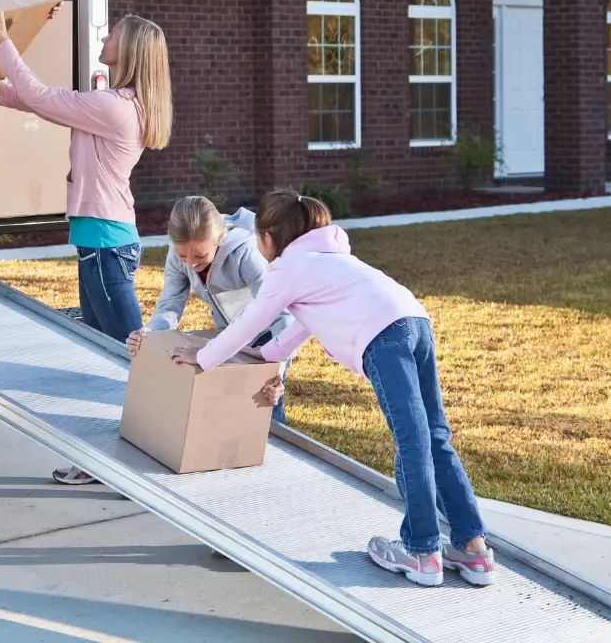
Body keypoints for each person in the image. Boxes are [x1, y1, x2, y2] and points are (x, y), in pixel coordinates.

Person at [168, 189, 496, 588]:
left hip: (384, 335)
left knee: (412, 441)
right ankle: (472, 548)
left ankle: (422, 551)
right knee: (435, 436)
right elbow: (302, 327)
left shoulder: (288, 269)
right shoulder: (330, 258)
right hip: (415, 320)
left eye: (258, 237)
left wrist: (202, 358)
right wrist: (266, 356)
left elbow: (248, 323)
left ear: (269, 237)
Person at [0, 9, 172, 487]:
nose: (105, 35)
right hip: (99, 243)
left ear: (133, 50)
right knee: (103, 358)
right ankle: (106, 461)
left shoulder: (116, 107)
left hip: (105, 245)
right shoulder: (115, 103)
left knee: (129, 361)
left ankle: (145, 463)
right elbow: (47, 104)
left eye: (114, 33)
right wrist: (2, 93)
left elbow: (45, 96)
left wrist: (3, 42)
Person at [126, 195, 290, 423]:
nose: (191, 263)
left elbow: (281, 315)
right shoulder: (177, 255)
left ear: (219, 239)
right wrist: (151, 332)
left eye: (200, 256)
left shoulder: (245, 253)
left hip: (266, 337)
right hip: (227, 336)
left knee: (266, 414)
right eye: (183, 255)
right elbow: (169, 305)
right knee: (230, 413)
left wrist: (278, 370)